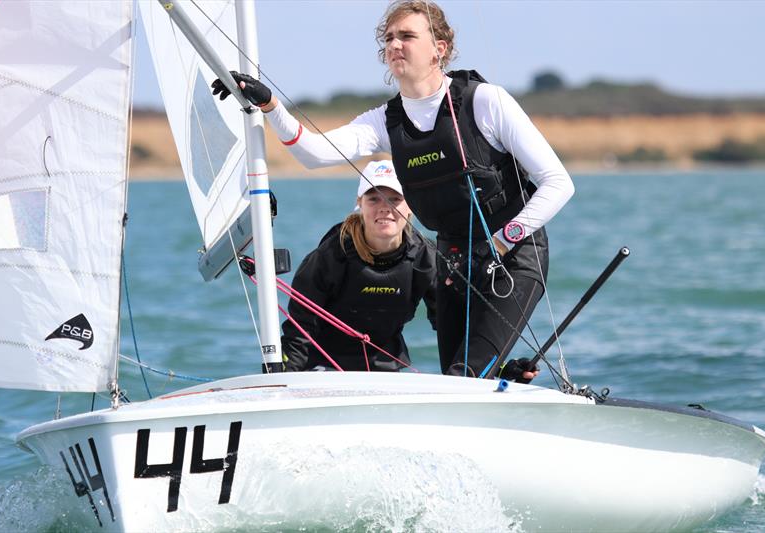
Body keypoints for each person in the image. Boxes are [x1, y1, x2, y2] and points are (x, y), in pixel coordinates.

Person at [212, 0, 574, 382]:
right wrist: (270, 105)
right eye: (389, 38)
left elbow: (558, 183)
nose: (395, 45)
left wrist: (501, 242)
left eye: (407, 36)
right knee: (463, 378)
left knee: (463, 376)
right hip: (454, 260)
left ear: (440, 48)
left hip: (513, 255)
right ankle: (501, 380)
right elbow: (315, 154)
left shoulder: (486, 102)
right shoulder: (385, 121)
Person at [279, 160, 436, 372]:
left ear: (410, 205)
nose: (385, 208)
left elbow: (449, 322)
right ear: (359, 203)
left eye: (394, 200)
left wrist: (462, 375)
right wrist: (286, 380)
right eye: (374, 199)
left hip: (385, 370)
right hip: (320, 369)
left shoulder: (425, 258)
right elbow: (299, 329)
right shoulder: (331, 255)